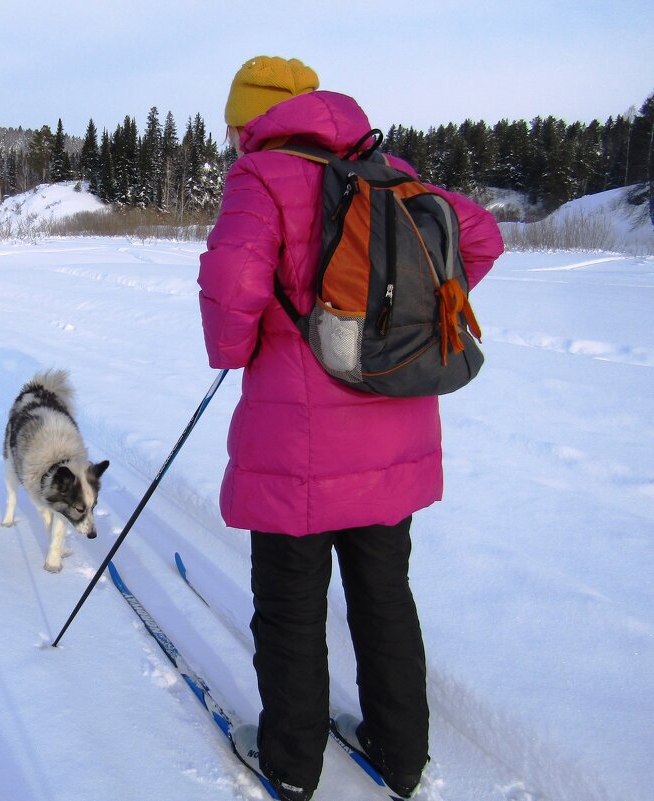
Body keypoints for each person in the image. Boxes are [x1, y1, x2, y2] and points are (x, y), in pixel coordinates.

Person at [197, 56, 504, 800]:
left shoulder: (261, 177)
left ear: (249, 121)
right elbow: (482, 237)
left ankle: (292, 764)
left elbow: (233, 283)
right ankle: (401, 754)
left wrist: (235, 349)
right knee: (383, 593)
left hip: (297, 441)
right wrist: (401, 325)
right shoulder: (389, 170)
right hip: (393, 434)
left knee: (292, 604)